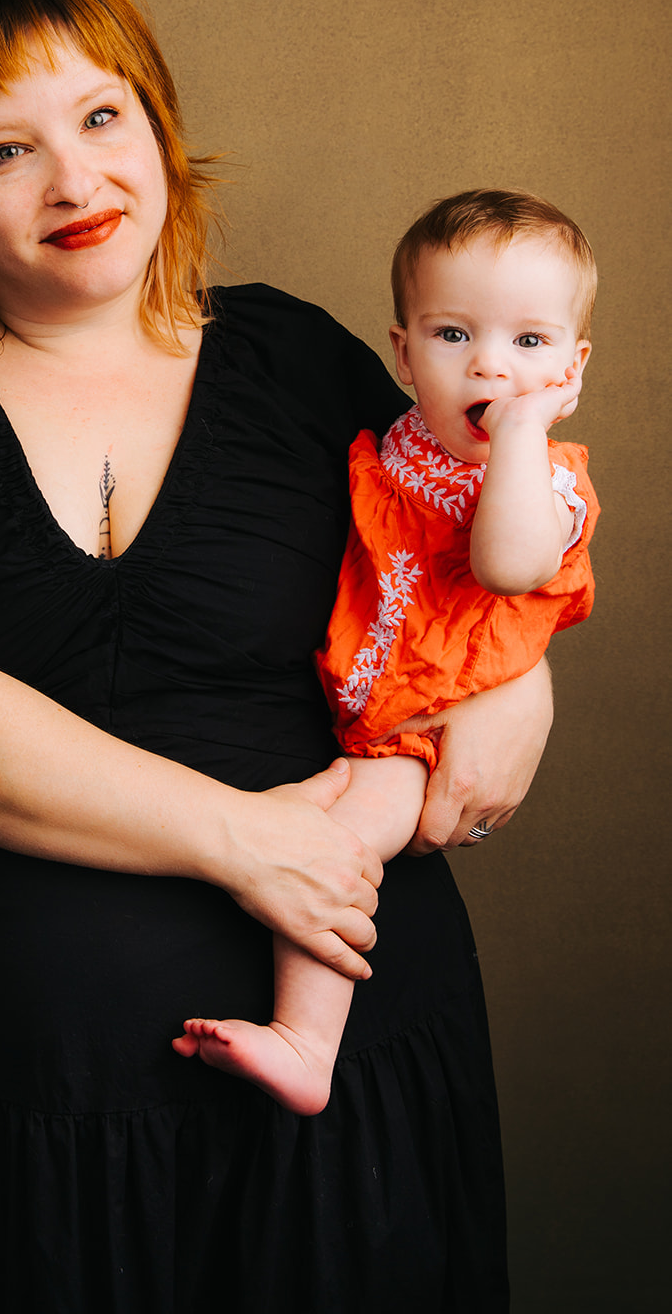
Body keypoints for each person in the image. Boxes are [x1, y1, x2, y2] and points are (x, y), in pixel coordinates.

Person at [0, 0, 553, 1313]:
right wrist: (253, 843)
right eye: (2, 150)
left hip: (346, 1101)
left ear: (155, 124)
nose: (75, 181)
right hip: (17, 1116)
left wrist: (523, 692)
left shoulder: (293, 357)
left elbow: (465, 574)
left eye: (101, 116)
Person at [173, 191, 598, 1116]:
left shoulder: (545, 480)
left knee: (327, 850)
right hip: (371, 708)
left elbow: (507, 561)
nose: (489, 364)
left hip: (430, 724)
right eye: (453, 335)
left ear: (572, 366)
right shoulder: (400, 444)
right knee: (295, 819)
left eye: (530, 344)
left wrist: (523, 433)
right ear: (402, 353)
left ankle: (306, 1043)